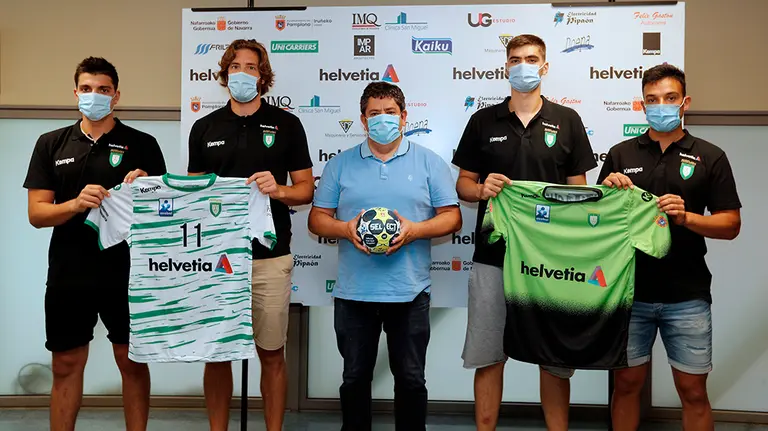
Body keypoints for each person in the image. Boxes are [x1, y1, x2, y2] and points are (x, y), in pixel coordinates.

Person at [451, 34, 597, 431]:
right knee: (489, 354)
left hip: (552, 260)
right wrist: (480, 189)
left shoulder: (567, 120)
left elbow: (580, 192)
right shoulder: (483, 120)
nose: (523, 65)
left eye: (531, 58)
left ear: (545, 66)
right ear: (505, 67)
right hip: (494, 256)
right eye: (515, 59)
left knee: (553, 358)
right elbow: (463, 184)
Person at [23, 57, 166, 431]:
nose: (94, 96)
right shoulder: (51, 143)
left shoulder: (143, 144)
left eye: (103, 90)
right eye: (86, 89)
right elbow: (37, 214)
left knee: (132, 362)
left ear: (116, 96)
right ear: (75, 93)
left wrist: (147, 188)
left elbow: (164, 215)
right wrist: (74, 203)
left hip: (128, 271)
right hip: (70, 271)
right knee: (66, 364)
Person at [308, 81, 462, 431]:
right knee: (354, 380)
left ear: (404, 117)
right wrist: (347, 229)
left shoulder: (429, 162)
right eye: (374, 114)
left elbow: (453, 216)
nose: (382, 120)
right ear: (363, 120)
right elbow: (317, 220)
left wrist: (414, 231)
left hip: (409, 292)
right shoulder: (340, 165)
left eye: (390, 113)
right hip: (353, 293)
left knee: (410, 380)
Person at [599, 64, 741, 431]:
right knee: (627, 385)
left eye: (670, 98)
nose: (660, 105)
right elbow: (595, 225)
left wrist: (687, 217)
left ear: (685, 102)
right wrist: (607, 198)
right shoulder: (619, 155)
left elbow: (731, 224)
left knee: (692, 391)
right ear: (641, 105)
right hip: (628, 292)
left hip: (687, 294)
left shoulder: (711, 155)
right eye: (652, 99)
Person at [186, 39, 314, 431]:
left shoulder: (287, 124)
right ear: (225, 75)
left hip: (270, 256)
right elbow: (192, 194)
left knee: (272, 353)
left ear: (264, 76)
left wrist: (277, 190)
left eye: (252, 67)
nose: (244, 73)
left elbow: (306, 191)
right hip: (216, 258)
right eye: (236, 66)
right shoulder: (204, 127)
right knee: (217, 353)